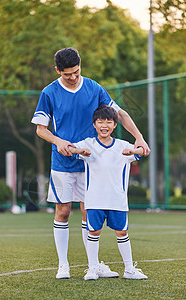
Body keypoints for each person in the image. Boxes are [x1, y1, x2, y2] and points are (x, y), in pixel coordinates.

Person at [31, 48, 150, 279]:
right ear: (58, 71)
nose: (73, 77)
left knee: (89, 213)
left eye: (76, 72)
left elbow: (120, 114)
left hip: (91, 163)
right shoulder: (49, 92)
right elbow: (41, 129)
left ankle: (93, 266)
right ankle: (63, 265)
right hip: (63, 162)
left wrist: (139, 137)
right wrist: (59, 141)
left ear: (80, 65)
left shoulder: (94, 88)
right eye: (68, 74)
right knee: (63, 211)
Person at [69, 105, 148, 280]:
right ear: (94, 124)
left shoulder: (122, 145)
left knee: (122, 233)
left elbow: (143, 151)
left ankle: (129, 269)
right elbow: (70, 149)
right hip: (94, 200)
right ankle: (92, 269)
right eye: (100, 121)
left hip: (117, 201)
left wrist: (133, 150)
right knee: (93, 232)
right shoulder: (87, 144)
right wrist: (79, 151)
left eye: (109, 122)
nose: (104, 125)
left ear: (114, 125)